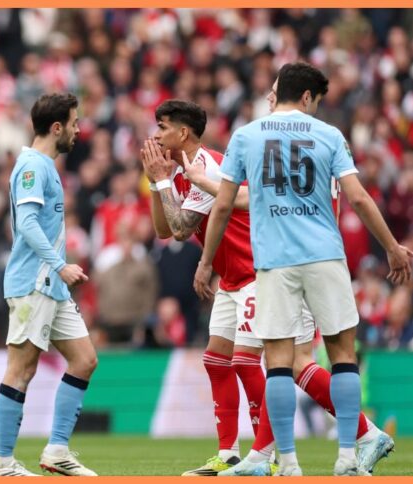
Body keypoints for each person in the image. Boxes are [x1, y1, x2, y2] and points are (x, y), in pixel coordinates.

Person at [193, 62, 413, 476]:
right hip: (325, 258)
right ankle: (347, 458)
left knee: (277, 362)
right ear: (310, 97)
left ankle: (288, 465)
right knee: (343, 357)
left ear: (281, 92)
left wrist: (206, 262)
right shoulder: (329, 135)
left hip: (275, 262)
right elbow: (359, 198)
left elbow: (224, 204)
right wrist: (391, 248)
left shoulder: (245, 136)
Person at [140, 99, 266, 476]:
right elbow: (164, 230)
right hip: (230, 277)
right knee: (215, 360)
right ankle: (228, 453)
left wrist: (162, 181)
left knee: (245, 363)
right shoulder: (177, 170)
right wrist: (155, 181)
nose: (156, 135)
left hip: (257, 272)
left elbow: (180, 229)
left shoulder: (207, 166)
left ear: (183, 133)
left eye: (162, 127)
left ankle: (268, 454)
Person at [0, 92, 98, 477]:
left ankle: (57, 450)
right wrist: (60, 265)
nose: (78, 129)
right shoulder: (33, 166)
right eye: (74, 122)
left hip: (51, 284)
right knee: (21, 369)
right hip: (33, 281)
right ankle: (2, 462)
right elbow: (28, 224)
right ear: (57, 127)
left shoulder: (44, 166)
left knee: (85, 360)